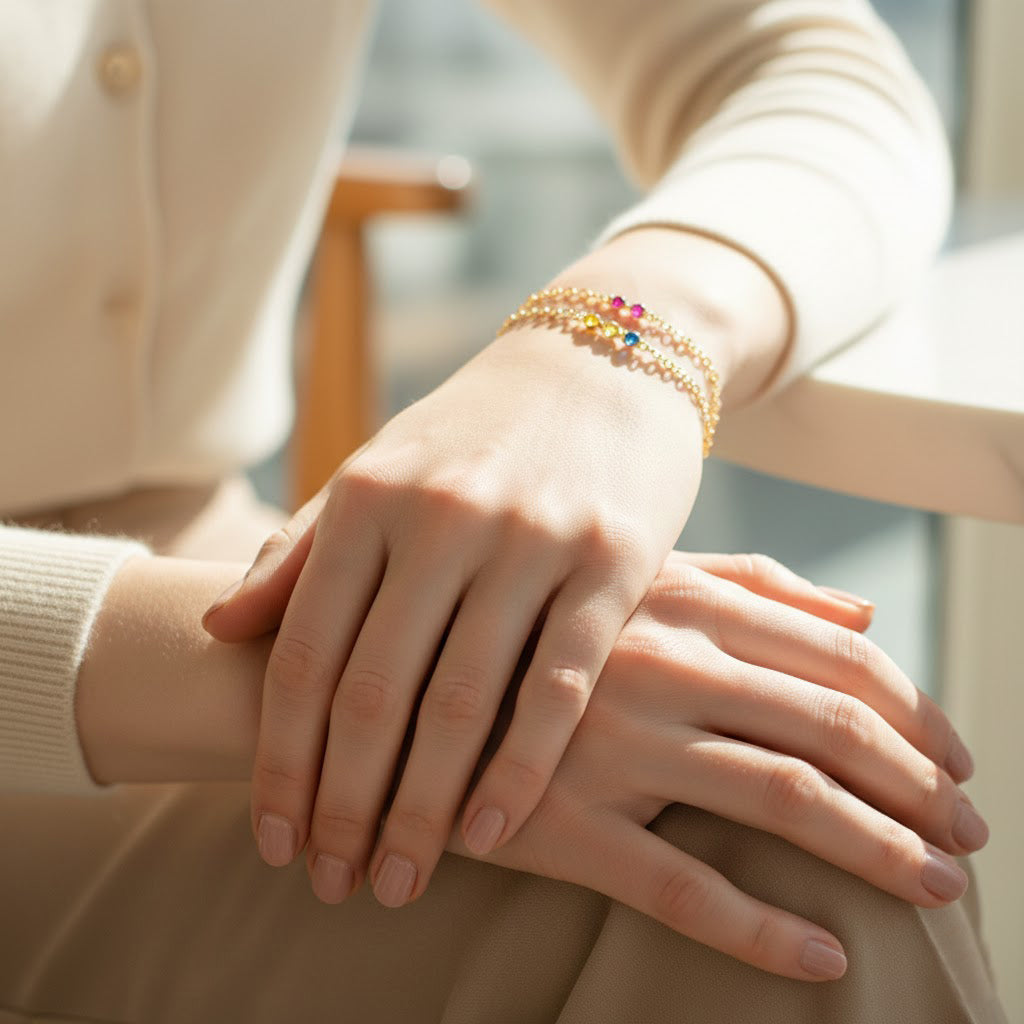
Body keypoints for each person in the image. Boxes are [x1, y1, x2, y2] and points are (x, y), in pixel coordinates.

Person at [0, 0, 1006, 1021]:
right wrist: (384, 690)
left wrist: (611, 349)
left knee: (793, 840)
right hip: (113, 668)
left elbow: (808, 62)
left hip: (208, 573)